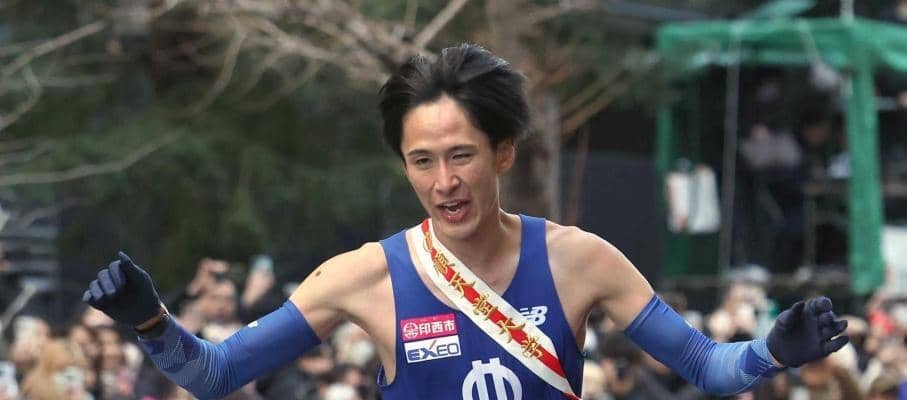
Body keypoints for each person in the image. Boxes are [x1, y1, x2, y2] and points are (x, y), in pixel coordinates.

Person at [82, 43, 849, 400]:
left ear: (503, 152)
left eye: (460, 156)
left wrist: (769, 352)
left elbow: (706, 368)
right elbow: (215, 376)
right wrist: (150, 321)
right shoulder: (361, 276)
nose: (443, 183)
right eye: (421, 161)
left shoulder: (581, 259)